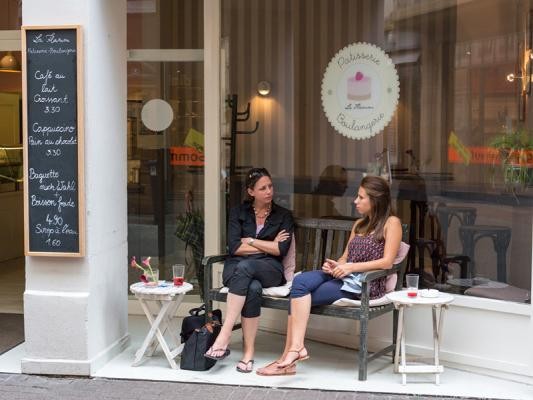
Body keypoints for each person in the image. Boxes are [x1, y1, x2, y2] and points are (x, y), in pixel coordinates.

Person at [256, 175, 402, 376]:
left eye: (361, 197)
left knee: (297, 298)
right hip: (343, 276)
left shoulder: (391, 223)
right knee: (300, 282)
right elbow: (345, 257)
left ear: (375, 199)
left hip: (364, 285)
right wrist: (336, 265)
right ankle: (295, 351)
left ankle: (287, 359)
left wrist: (350, 267)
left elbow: (387, 261)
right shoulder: (359, 224)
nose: (355, 201)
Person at [205, 167, 294, 373]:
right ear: (251, 192)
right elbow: (235, 247)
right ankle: (248, 354)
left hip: (270, 270)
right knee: (252, 288)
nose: (269, 191)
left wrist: (252, 241)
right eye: (263, 188)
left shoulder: (284, 216)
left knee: (246, 266)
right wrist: (267, 245)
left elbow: (280, 249)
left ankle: (224, 334)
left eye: (270, 186)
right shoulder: (238, 212)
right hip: (237, 268)